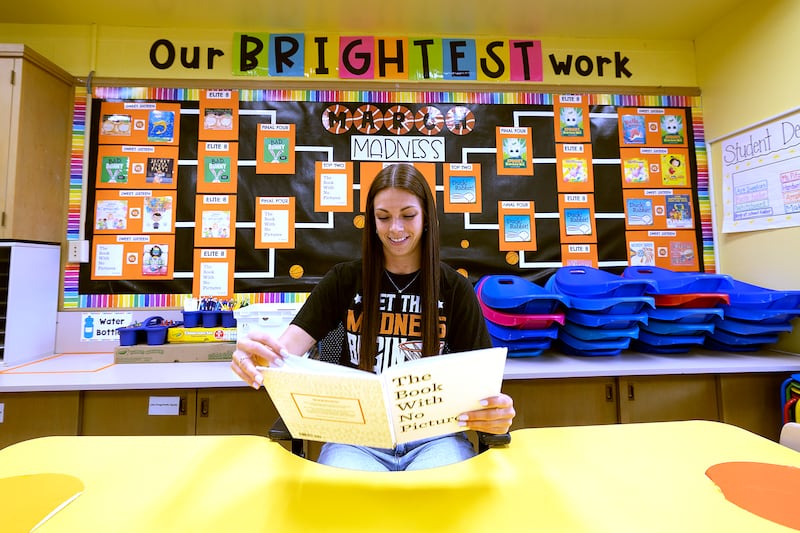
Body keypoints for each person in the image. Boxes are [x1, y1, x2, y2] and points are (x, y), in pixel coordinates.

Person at [231, 163, 515, 471]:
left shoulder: (455, 289)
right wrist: (254, 357)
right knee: (346, 497)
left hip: (436, 438)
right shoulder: (344, 279)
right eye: (383, 217)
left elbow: (485, 387)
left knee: (439, 495)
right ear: (372, 221)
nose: (395, 228)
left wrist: (498, 414)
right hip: (356, 437)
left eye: (408, 215)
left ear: (427, 218)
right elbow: (282, 354)